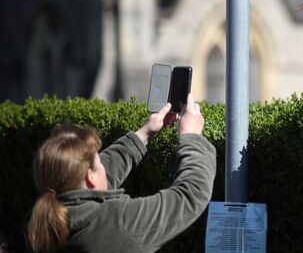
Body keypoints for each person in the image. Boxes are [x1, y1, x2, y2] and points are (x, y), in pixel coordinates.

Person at [26, 93, 216, 252]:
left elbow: (93, 181)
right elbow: (190, 194)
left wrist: (143, 134)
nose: (104, 165)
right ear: (90, 176)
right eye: (99, 162)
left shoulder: (39, 225)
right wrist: (191, 136)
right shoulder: (117, 222)